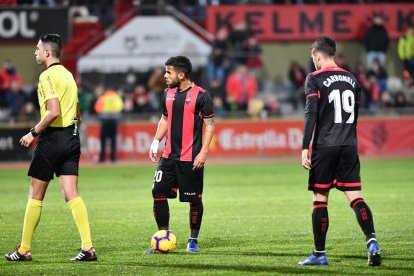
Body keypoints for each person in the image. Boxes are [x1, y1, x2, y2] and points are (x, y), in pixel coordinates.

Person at [4, 34, 97, 262]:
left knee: (35, 194)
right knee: (71, 194)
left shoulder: (46, 77)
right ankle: (88, 247)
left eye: (37, 49)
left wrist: (33, 132)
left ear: (47, 52)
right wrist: (73, 137)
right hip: (71, 138)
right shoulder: (68, 76)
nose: (35, 52)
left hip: (52, 139)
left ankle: (24, 249)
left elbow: (53, 111)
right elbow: (76, 114)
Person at [299, 36, 381, 266]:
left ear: (317, 56)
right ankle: (372, 241)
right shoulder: (351, 78)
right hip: (348, 145)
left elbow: (311, 114)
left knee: (320, 201)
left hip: (325, 146)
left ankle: (319, 253)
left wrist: (305, 146)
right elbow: (355, 114)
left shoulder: (314, 78)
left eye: (313, 58)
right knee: (356, 197)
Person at [145, 56, 215, 254]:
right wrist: (155, 141)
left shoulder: (201, 95)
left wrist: (203, 152)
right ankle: (163, 236)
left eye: (169, 72)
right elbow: (165, 119)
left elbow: (210, 126)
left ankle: (193, 239)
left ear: (181, 74)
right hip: (168, 157)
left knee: (194, 199)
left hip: (190, 158)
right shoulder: (168, 93)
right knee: (157, 193)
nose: (165, 76)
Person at [94, 88, 123, 162]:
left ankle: (102, 158)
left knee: (103, 140)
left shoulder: (103, 97)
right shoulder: (117, 98)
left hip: (105, 120)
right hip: (114, 120)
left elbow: (97, 108)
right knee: (113, 140)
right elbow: (121, 107)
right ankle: (113, 158)